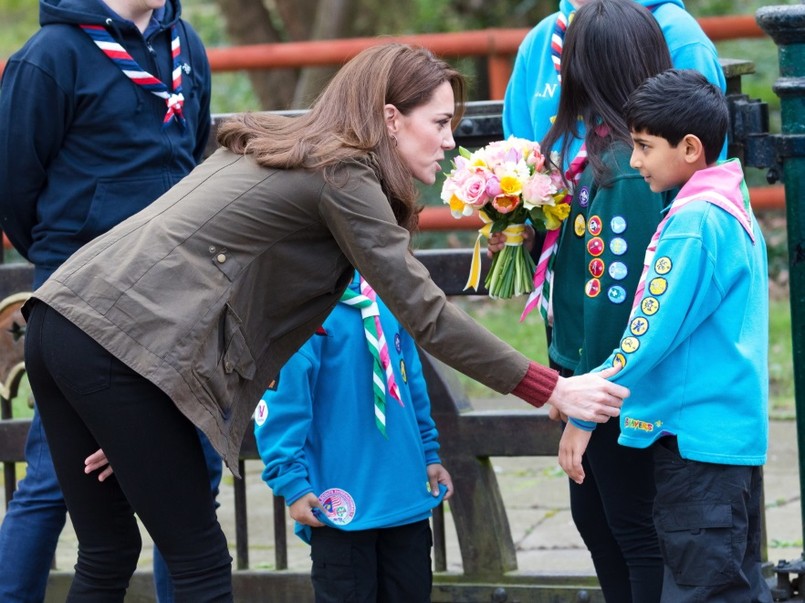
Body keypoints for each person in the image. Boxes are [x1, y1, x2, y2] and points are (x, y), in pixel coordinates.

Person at [19, 43, 628, 601]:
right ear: (392, 119)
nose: (449, 142)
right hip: (109, 347)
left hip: (61, 321)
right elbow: (428, 316)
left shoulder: (286, 147)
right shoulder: (344, 173)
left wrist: (135, 413)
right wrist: (551, 387)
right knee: (200, 560)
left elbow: (222, 303)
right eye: (439, 123)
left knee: (108, 549)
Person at [493, 0, 727, 600]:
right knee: (603, 523)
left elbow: (613, 304)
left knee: (629, 531)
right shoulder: (605, 159)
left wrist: (579, 409)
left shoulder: (626, 172)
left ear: (586, 67)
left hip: (613, 394)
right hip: (596, 383)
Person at [0, 0, 221, 601]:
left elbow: (194, 152)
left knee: (191, 478)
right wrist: (78, 251)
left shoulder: (185, 44)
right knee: (55, 480)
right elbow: (15, 186)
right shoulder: (50, 56)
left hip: (176, 295)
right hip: (83, 299)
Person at [559, 68, 772, 603]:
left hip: (695, 447)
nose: (635, 161)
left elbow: (646, 334)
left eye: (645, 146)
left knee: (701, 591)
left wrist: (585, 408)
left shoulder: (695, 222)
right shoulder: (730, 201)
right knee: (731, 586)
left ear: (691, 147)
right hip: (722, 442)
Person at [255, 270, 452, 602]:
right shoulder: (301, 310)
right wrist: (291, 481)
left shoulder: (389, 293)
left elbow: (411, 381)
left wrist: (429, 454)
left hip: (404, 494)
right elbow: (282, 407)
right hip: (338, 505)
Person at [502, 0, 726, 164]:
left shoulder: (679, 35)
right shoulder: (539, 41)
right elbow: (519, 157)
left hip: (649, 221)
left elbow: (699, 162)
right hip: (556, 227)